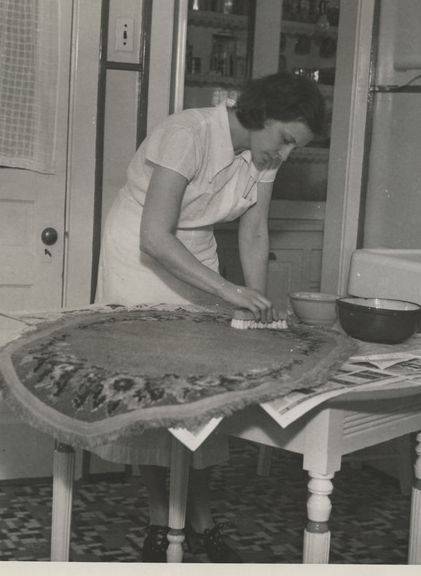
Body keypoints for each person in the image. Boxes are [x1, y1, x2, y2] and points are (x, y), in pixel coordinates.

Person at [94, 71, 326, 562]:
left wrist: (255, 305)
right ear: (261, 114)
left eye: (293, 148)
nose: (284, 155)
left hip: (194, 252)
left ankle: (200, 517)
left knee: (205, 388)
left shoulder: (264, 154)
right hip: (141, 251)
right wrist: (228, 290)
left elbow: (255, 232)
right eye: (285, 140)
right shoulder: (188, 134)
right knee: (154, 392)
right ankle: (162, 517)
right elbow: (155, 238)